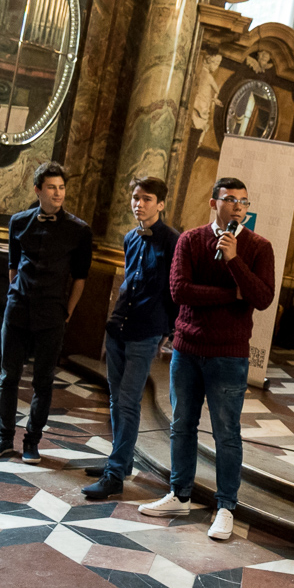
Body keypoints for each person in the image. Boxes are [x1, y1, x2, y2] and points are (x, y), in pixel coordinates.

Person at [139, 177, 275, 540]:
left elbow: (262, 298)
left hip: (228, 355)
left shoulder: (259, 247)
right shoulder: (190, 240)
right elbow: (180, 291)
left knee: (226, 433)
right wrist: (232, 294)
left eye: (243, 201)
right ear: (214, 203)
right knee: (182, 425)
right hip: (187, 349)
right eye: (230, 199)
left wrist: (234, 260)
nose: (238, 206)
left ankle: (226, 507)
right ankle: (179, 494)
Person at [0, 162, 92, 464]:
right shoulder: (18, 222)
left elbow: (80, 278)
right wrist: (15, 296)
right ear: (38, 190)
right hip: (18, 309)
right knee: (8, 376)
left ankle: (32, 442)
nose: (58, 193)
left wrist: (67, 313)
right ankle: (4, 439)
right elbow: (13, 266)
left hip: (52, 313)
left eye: (62, 187)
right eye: (51, 187)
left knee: (43, 381)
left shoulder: (79, 230)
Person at [82, 176, 180, 500]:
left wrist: (168, 331)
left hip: (146, 331)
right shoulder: (129, 238)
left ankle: (114, 476)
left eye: (147, 198)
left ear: (160, 204)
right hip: (118, 327)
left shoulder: (172, 241)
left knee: (128, 401)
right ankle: (120, 462)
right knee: (115, 399)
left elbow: (174, 291)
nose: (139, 203)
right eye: (136, 197)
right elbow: (130, 282)